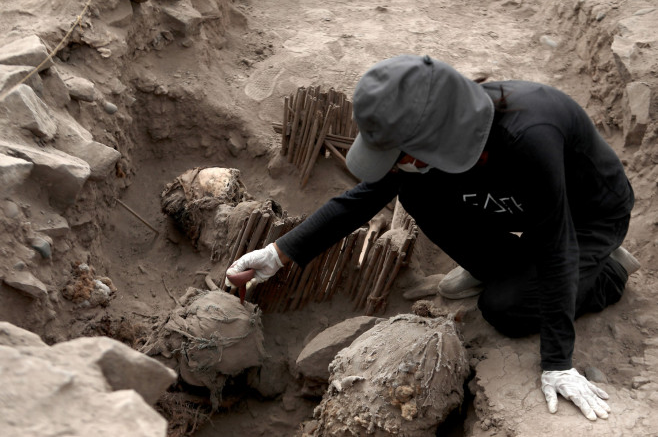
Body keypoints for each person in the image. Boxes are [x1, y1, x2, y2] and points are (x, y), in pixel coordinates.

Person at [225, 54, 639, 421]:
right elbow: (362, 198)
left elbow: (556, 244)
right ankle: (500, 265)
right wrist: (277, 253)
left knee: (505, 308)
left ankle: (608, 272)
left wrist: (558, 364)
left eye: (400, 155)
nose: (397, 162)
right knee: (417, 189)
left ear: (436, 141)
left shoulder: (530, 135)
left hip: (583, 219)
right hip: (517, 208)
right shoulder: (434, 139)